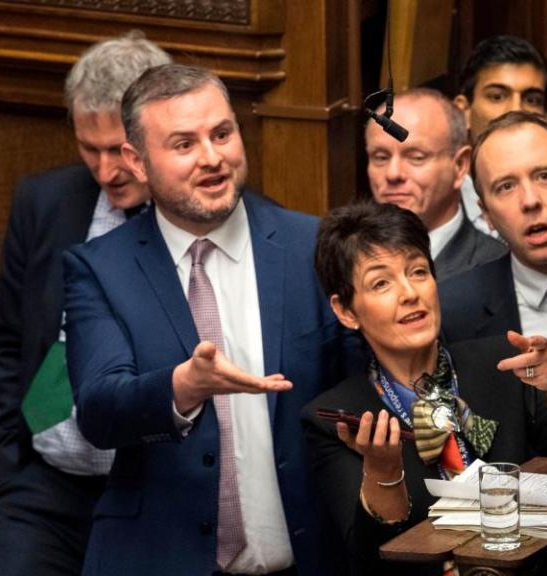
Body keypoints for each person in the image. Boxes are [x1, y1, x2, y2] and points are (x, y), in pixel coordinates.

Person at [63, 63, 360, 575]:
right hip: (159, 560)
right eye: (184, 144)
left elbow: (362, 386)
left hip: (308, 558)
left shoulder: (312, 247)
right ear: (136, 161)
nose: (212, 158)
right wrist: (182, 387)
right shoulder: (99, 268)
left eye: (222, 134)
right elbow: (99, 411)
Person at [302, 201, 547, 575]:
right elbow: (371, 560)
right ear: (346, 311)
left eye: (418, 272)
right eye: (381, 283)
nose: (409, 293)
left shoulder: (501, 363)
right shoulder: (336, 419)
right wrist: (383, 471)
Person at [0, 31, 170, 576]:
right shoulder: (45, 201)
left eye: (120, 152)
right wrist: (9, 464)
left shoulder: (204, 219)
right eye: (91, 149)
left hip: (156, 488)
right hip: (45, 485)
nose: (106, 171)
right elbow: (6, 343)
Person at [439, 112, 547, 461]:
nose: (530, 200)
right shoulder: (456, 311)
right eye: (506, 186)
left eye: (545, 176)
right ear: (486, 214)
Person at [453, 35, 547, 236]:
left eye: (532, 99)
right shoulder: (435, 208)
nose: (516, 110)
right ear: (463, 111)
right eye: (497, 96)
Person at [365, 87, 506, 280]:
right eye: (380, 157)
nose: (393, 173)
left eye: (416, 157)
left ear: (459, 165)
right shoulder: (345, 254)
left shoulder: (495, 268)